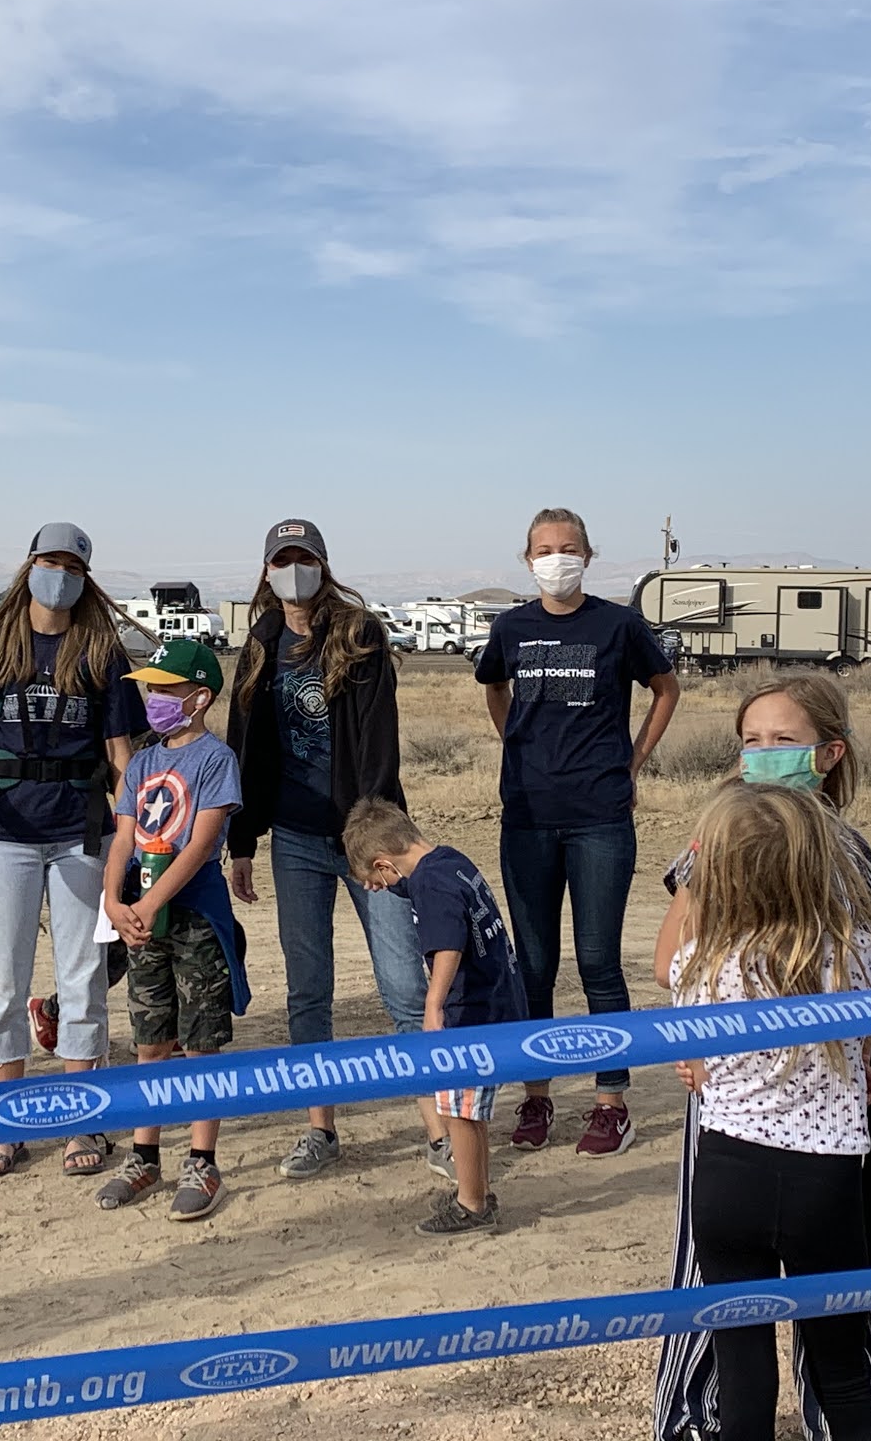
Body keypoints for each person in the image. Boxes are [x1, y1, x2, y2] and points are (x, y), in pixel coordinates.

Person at [651, 676, 871, 1440]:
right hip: (827, 1175)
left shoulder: (705, 960)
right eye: (750, 741)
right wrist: (856, 1062)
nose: (761, 755)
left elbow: (675, 975)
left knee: (743, 1359)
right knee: (840, 1357)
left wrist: (701, 1043)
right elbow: (870, 1010)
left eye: (782, 740)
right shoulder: (849, 953)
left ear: (830, 753)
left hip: (730, 1169)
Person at [224, 518, 447, 1181]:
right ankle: (319, 1128)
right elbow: (244, 742)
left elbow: (378, 744)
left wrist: (372, 838)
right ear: (267, 571)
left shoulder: (357, 633)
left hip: (365, 840)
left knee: (404, 986)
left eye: (305, 558)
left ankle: (439, 1129)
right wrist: (242, 840)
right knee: (308, 990)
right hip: (294, 840)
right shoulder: (262, 641)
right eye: (282, 560)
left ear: (323, 565)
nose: (293, 571)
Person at [0, 522, 144, 1180]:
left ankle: (83, 1120)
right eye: (50, 563)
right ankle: (9, 1123)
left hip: (82, 831)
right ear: (29, 567)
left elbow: (120, 752)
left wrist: (131, 830)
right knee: (2, 978)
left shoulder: (103, 654)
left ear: (86, 578)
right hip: (3, 834)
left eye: (73, 567)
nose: (60, 576)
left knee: (83, 975)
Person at [474, 507, 680, 1157]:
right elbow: (494, 686)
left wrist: (633, 761)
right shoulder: (511, 626)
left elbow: (666, 689)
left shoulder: (619, 624)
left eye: (567, 548)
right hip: (527, 817)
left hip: (600, 817)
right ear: (527, 559)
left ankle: (611, 1103)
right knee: (533, 966)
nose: (555, 559)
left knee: (597, 961)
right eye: (543, 549)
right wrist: (515, 742)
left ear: (587, 557)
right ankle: (536, 1096)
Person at [93, 639, 250, 1220]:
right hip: (143, 916)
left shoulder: (215, 760)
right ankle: (144, 1155)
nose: (153, 699)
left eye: (165, 689)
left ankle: (203, 1161)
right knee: (150, 1036)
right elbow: (124, 837)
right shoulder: (140, 762)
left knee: (202, 1039)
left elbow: (202, 843)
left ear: (200, 698)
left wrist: (151, 901)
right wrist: (114, 900)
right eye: (150, 689)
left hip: (195, 914)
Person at [345, 797, 528, 1236]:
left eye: (375, 880)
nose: (377, 888)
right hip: (498, 1002)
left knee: (458, 1112)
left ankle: (471, 1205)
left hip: (470, 1014)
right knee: (470, 1111)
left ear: (385, 864)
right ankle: (477, 1190)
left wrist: (433, 1005)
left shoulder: (429, 884)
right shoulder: (449, 861)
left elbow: (448, 945)